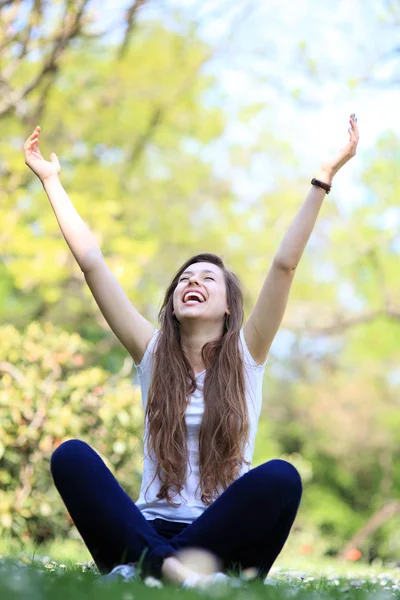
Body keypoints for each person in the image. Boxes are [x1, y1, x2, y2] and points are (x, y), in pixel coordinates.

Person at [23, 114, 359, 586]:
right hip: (143, 529)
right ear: (174, 303)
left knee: (282, 476)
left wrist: (323, 179)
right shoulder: (152, 352)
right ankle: (174, 570)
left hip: (220, 538)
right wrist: (51, 181)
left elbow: (284, 266)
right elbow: (92, 264)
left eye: (206, 279)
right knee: (71, 456)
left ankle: (147, 570)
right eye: (184, 278)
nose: (191, 282)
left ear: (227, 308)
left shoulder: (247, 354)